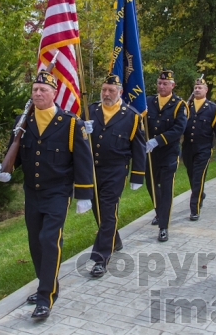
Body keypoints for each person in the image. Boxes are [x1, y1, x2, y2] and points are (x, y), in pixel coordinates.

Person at [0, 70, 94, 319]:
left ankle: (46, 297)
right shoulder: (23, 121)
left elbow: (83, 161)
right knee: (35, 243)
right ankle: (44, 285)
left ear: (54, 93)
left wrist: (84, 195)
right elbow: (14, 154)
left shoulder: (71, 124)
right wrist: (3, 170)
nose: (38, 93)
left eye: (43, 90)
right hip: (32, 193)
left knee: (50, 240)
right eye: (35, 89)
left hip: (58, 192)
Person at [83, 74, 146, 278]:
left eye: (111, 90)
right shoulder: (90, 110)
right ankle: (114, 239)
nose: (106, 94)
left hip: (116, 171)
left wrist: (137, 175)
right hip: (93, 171)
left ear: (120, 92)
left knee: (108, 210)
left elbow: (139, 148)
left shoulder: (132, 116)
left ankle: (100, 259)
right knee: (99, 211)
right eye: (104, 90)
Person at [145, 69, 188, 242]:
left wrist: (157, 140)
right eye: (159, 83)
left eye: (165, 84)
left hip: (168, 153)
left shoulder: (179, 104)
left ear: (172, 85)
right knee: (151, 186)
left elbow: (179, 129)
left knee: (167, 188)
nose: (161, 86)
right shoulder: (149, 101)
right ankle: (159, 211)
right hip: (150, 154)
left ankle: (164, 226)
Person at [181, 77, 216, 221]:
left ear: (206, 90)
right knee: (191, 175)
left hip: (204, 148)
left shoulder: (213, 108)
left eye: (200, 87)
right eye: (195, 87)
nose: (197, 89)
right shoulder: (186, 107)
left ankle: (195, 209)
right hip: (188, 147)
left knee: (198, 178)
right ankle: (200, 194)